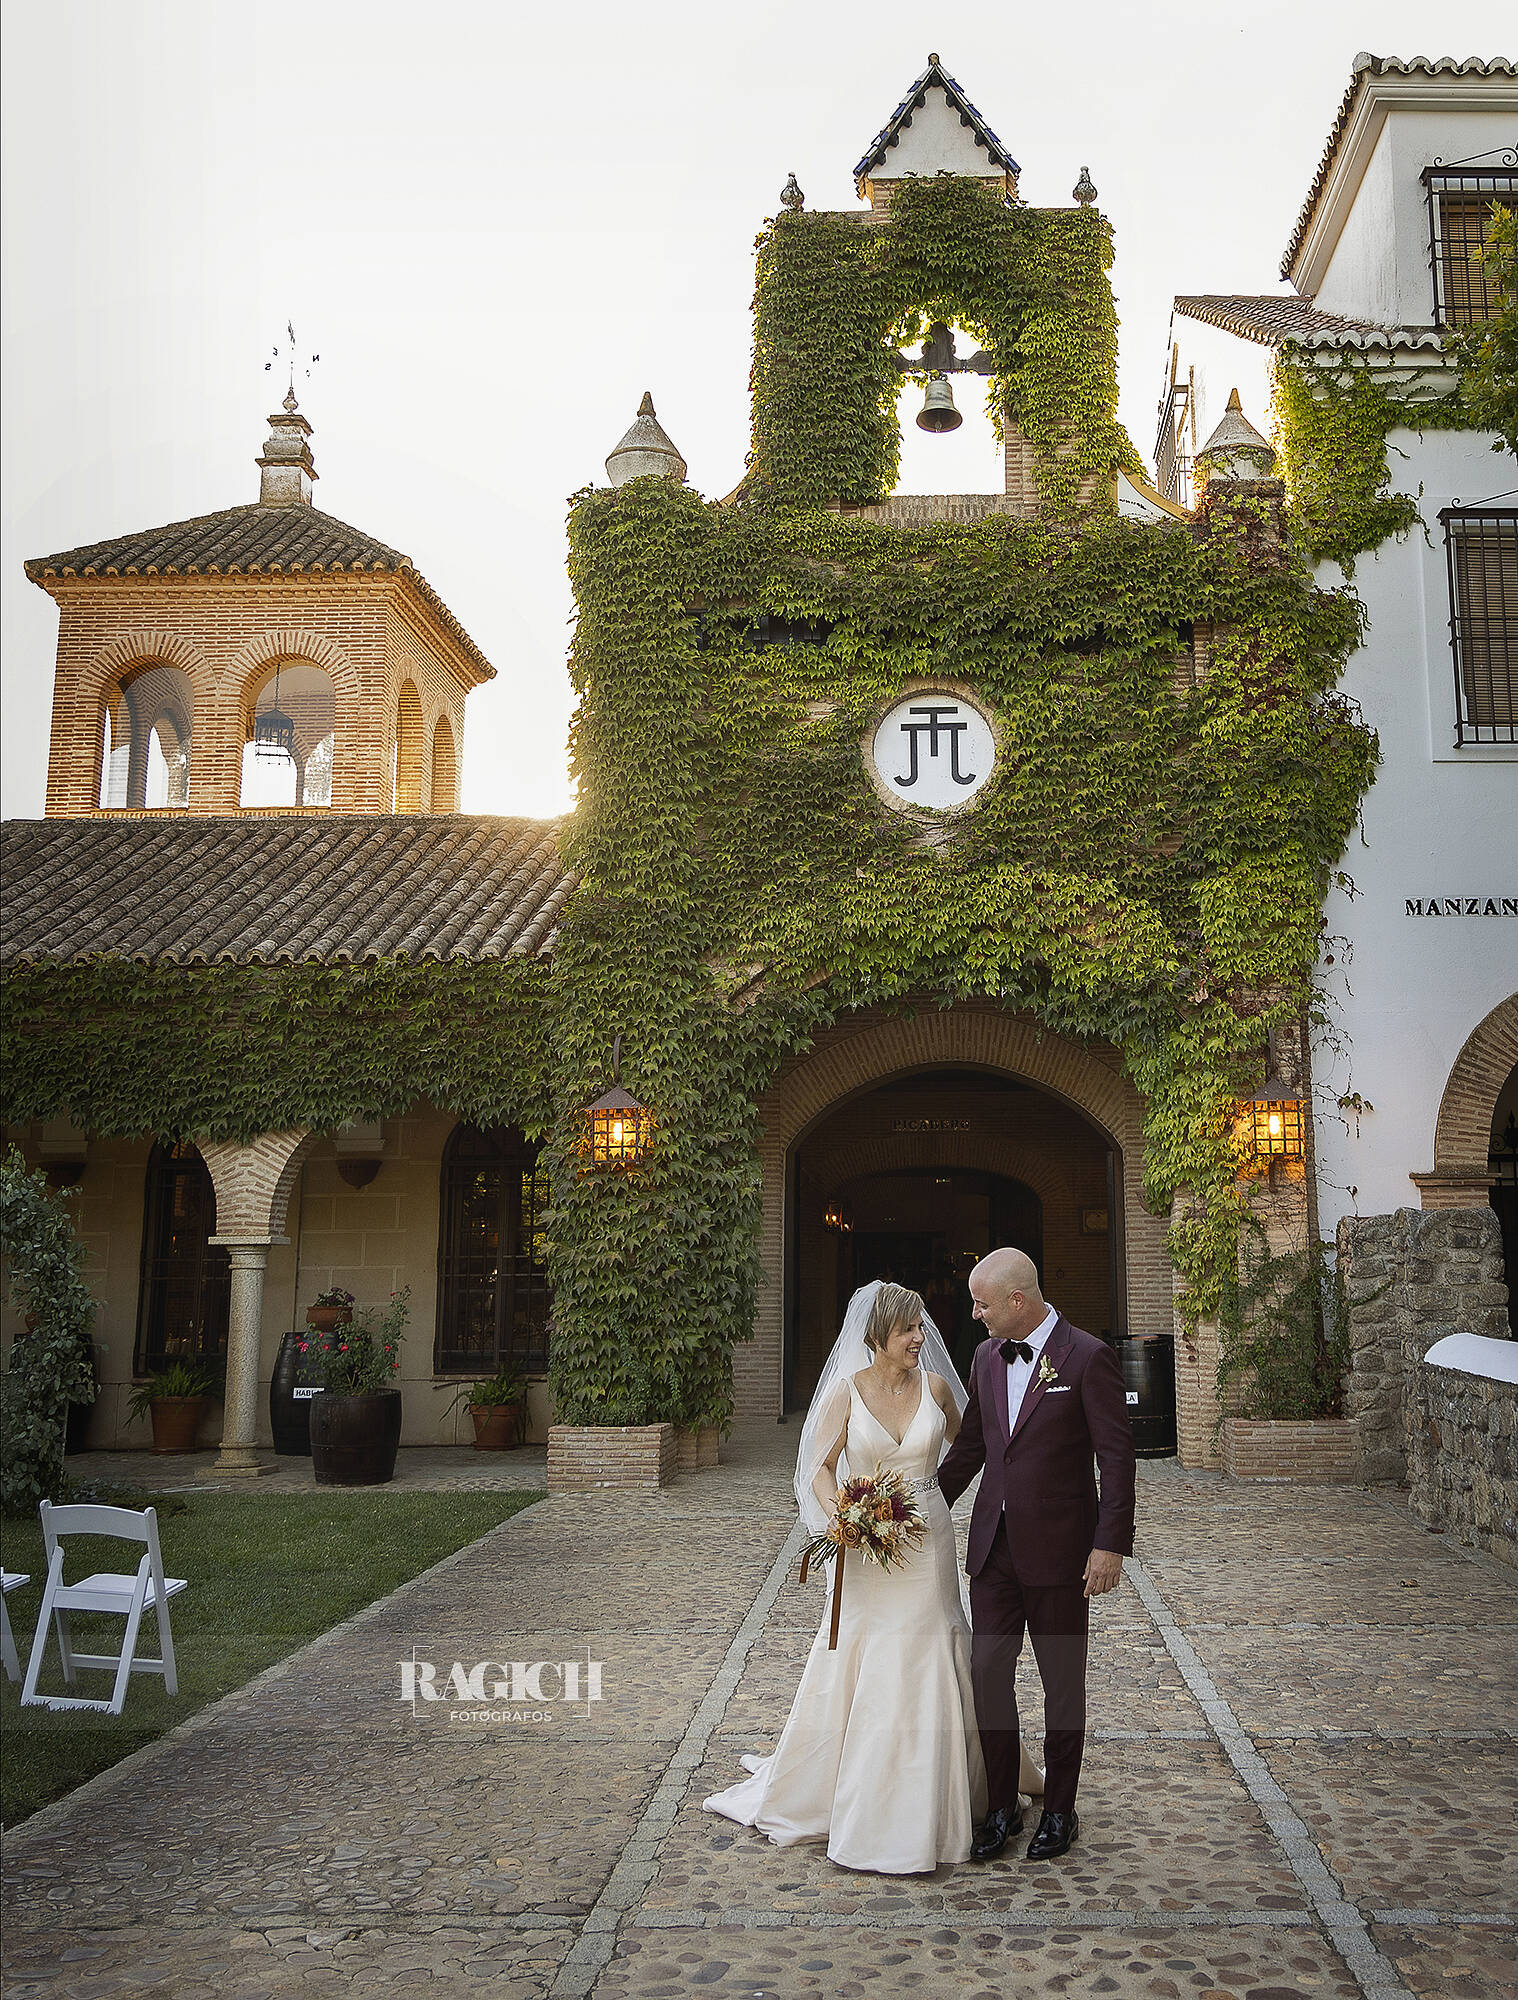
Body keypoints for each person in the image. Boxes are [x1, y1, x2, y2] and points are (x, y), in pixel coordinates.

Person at [702, 1279, 1041, 1873]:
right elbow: (819, 1467)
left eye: (920, 1327)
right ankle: (864, 1797)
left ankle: (947, 1793)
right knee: (870, 1656)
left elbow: (981, 1447)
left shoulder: (936, 1388)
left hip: (926, 1543)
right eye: (909, 1329)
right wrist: (843, 1516)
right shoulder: (846, 1393)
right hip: (866, 1551)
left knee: (934, 1650)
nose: (920, 1338)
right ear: (878, 1337)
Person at [937, 1247, 1136, 1863]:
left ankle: (1061, 1810)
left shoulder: (1088, 1358)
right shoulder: (985, 1357)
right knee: (988, 1672)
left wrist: (1109, 1543)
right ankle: (1001, 1806)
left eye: (983, 1303)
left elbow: (1116, 1458)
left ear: (1017, 1300)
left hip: (1060, 1554)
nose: (976, 1314)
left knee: (1062, 1685)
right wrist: (913, 1510)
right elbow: (972, 1446)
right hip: (993, 1549)